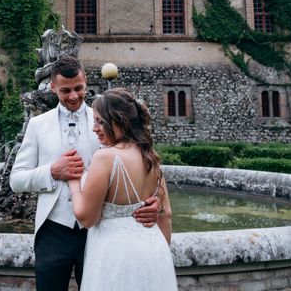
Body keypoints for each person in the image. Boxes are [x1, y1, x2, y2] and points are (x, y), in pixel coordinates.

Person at [9, 56, 161, 291]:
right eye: (65, 90)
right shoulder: (38, 124)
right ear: (52, 88)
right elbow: (16, 180)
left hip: (99, 229)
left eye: (79, 88)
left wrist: (152, 201)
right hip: (53, 228)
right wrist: (52, 171)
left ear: (86, 81)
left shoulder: (107, 121)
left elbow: (139, 162)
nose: (73, 96)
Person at [68, 88, 177, 291]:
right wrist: (160, 255)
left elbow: (86, 218)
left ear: (120, 120)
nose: (95, 128)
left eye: (101, 121)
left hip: (115, 255)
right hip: (155, 251)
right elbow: (166, 214)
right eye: (94, 121)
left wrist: (73, 184)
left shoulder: (106, 157)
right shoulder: (150, 157)